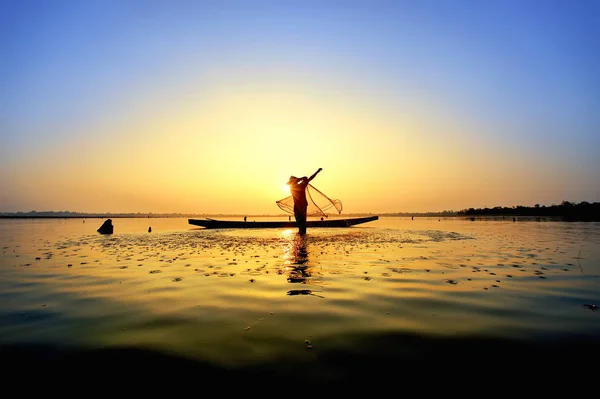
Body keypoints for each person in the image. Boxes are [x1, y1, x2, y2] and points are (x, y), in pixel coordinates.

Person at [287, 168, 322, 234]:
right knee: (300, 223)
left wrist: (317, 172)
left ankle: (302, 236)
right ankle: (301, 236)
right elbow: (307, 179)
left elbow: (309, 178)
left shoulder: (298, 186)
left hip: (301, 206)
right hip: (299, 207)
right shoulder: (296, 187)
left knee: (302, 223)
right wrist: (302, 178)